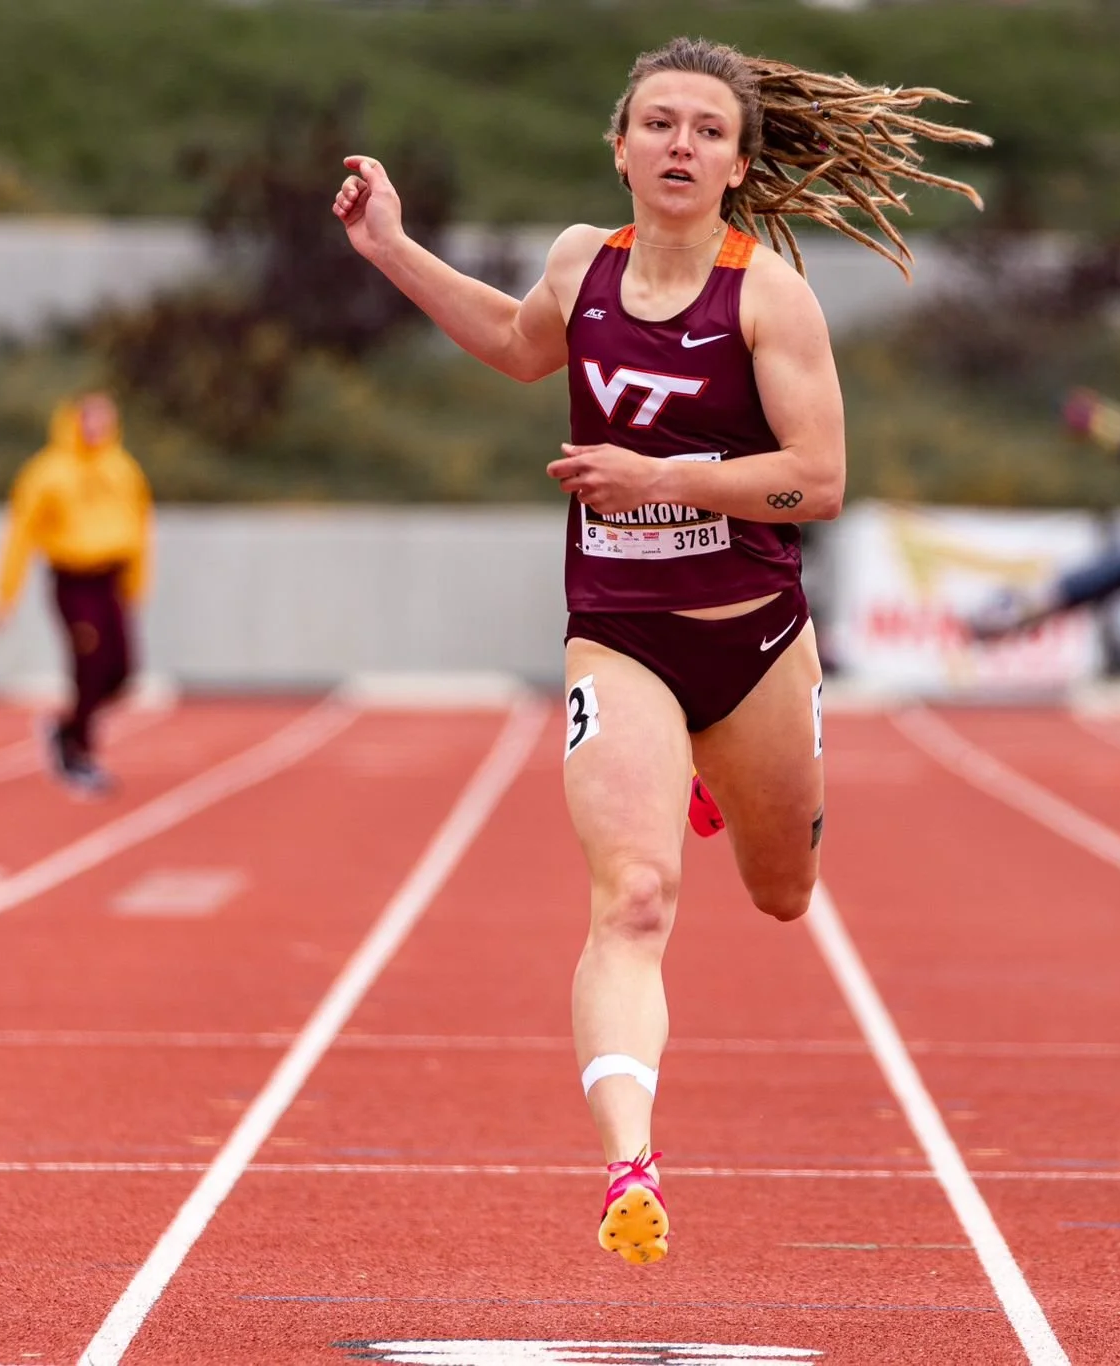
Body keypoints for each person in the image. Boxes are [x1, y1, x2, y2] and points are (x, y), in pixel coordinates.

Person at [333, 36, 986, 1264]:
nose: (679, 145)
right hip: (617, 637)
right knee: (632, 897)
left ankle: (721, 775)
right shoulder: (581, 263)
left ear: (738, 164)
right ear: (619, 146)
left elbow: (820, 482)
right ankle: (629, 1161)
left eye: (704, 130)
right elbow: (520, 346)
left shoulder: (768, 297)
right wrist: (390, 250)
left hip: (750, 643)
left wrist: (659, 476)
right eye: (659, 124)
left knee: (781, 892)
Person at [0, 392, 153, 796]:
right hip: (74, 580)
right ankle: (78, 753)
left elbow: (140, 528)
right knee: (90, 665)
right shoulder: (47, 472)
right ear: (74, 420)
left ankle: (63, 728)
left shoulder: (122, 469)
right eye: (90, 419)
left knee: (122, 671)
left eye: (105, 420)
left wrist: (136, 584)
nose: (97, 428)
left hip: (111, 581)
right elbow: (21, 534)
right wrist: (5, 593)